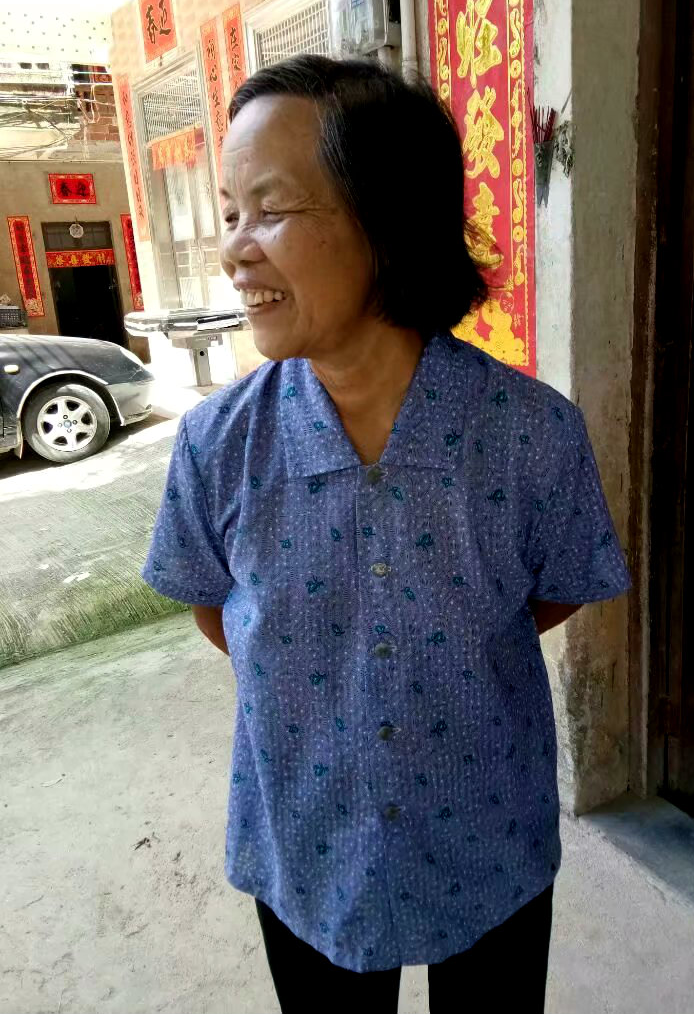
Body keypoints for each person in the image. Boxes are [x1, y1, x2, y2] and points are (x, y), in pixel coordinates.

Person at [142, 55, 631, 1013]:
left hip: (489, 835)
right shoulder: (219, 444)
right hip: (307, 842)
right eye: (231, 213)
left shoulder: (530, 433)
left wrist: (450, 641)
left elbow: (558, 584)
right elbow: (216, 609)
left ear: (388, 219)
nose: (236, 250)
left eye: (270, 209)